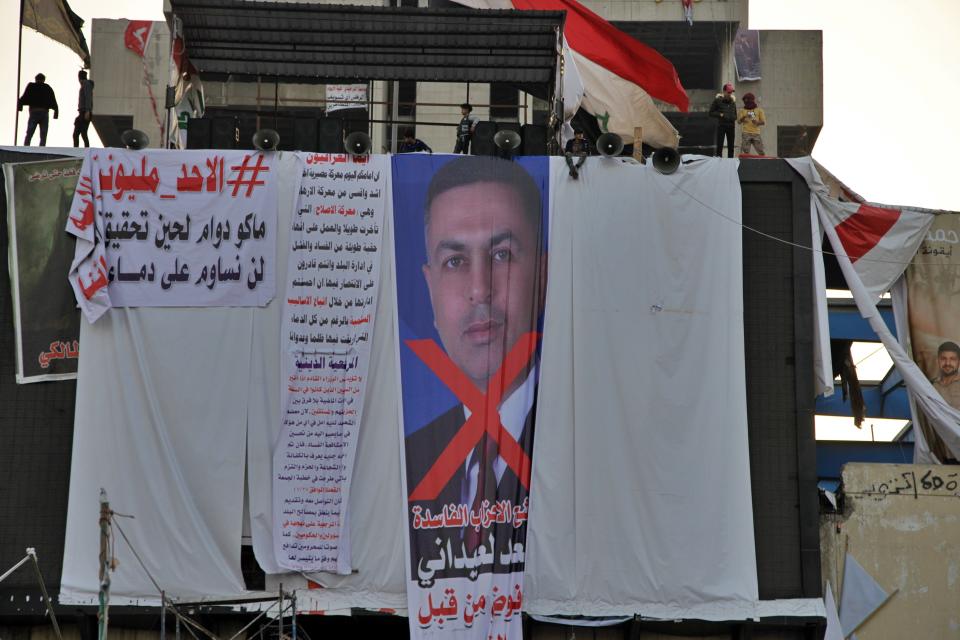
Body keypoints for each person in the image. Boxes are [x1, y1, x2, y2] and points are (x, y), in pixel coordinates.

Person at [405, 155, 547, 579]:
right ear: (429, 290)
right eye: (455, 261)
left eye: (501, 255)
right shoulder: (408, 458)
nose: (480, 289)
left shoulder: (583, 446)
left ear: (542, 274)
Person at [924, 341, 960, 463]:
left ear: (958, 362)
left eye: (952, 359)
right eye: (943, 359)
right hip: (940, 455)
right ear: (938, 361)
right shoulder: (930, 387)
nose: (948, 363)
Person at [17, 73, 59, 146]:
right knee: (43, 134)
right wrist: (56, 112)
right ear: (44, 80)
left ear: (36, 79)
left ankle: (26, 147)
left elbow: (24, 97)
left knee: (30, 132)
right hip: (44, 112)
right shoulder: (47, 87)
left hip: (34, 112)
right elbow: (53, 100)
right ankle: (41, 148)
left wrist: (19, 106)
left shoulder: (31, 86)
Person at [709, 83, 737, 158]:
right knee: (720, 145)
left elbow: (735, 114)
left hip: (731, 126)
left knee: (731, 146)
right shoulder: (718, 100)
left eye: (731, 92)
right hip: (722, 126)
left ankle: (730, 162)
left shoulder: (733, 102)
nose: (730, 94)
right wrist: (720, 115)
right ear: (724, 91)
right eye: (728, 92)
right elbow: (711, 113)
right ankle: (719, 161)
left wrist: (733, 117)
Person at [73, 70, 94, 148]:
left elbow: (88, 97)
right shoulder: (84, 85)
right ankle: (76, 151)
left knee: (83, 133)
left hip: (85, 111)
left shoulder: (86, 84)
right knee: (76, 134)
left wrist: (88, 111)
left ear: (79, 78)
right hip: (81, 112)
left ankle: (86, 150)